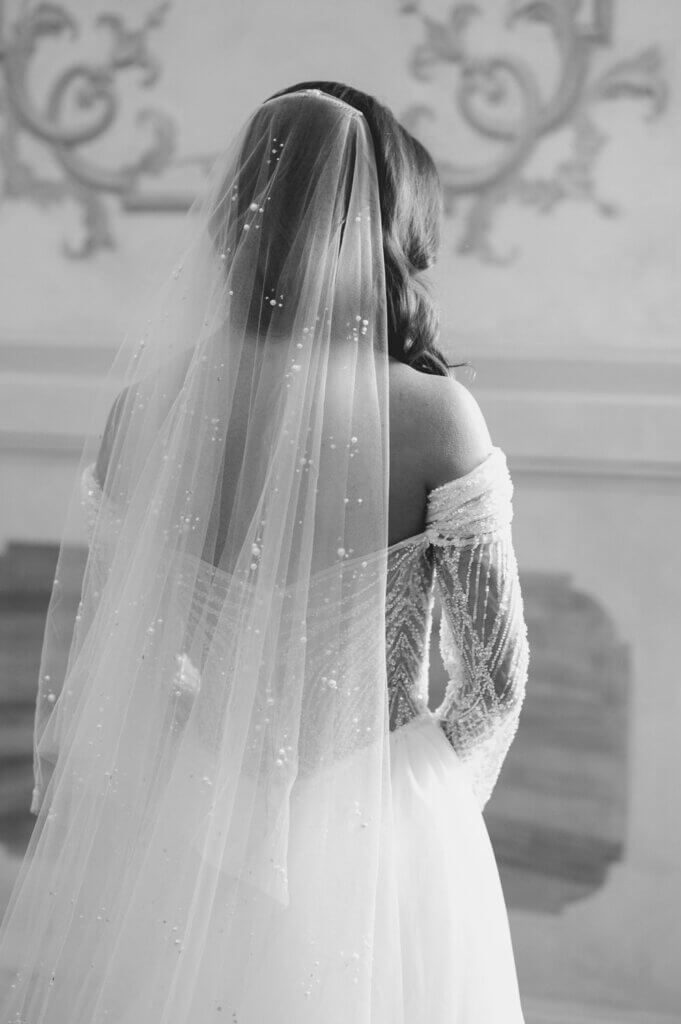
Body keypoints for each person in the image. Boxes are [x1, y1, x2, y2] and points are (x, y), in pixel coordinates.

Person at [0, 82, 529, 1022]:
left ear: (236, 215)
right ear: (390, 221)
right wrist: (417, 805)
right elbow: (494, 678)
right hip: (376, 821)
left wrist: (216, 766)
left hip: (191, 823)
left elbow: (132, 655)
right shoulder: (434, 416)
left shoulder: (144, 412)